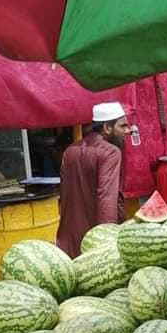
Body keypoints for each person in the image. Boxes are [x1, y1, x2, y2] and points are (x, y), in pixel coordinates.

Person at [56, 102, 130, 258]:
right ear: (107, 128)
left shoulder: (70, 151)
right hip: (95, 243)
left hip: (69, 240)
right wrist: (108, 240)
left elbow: (64, 196)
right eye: (122, 126)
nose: (127, 131)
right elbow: (107, 198)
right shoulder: (111, 152)